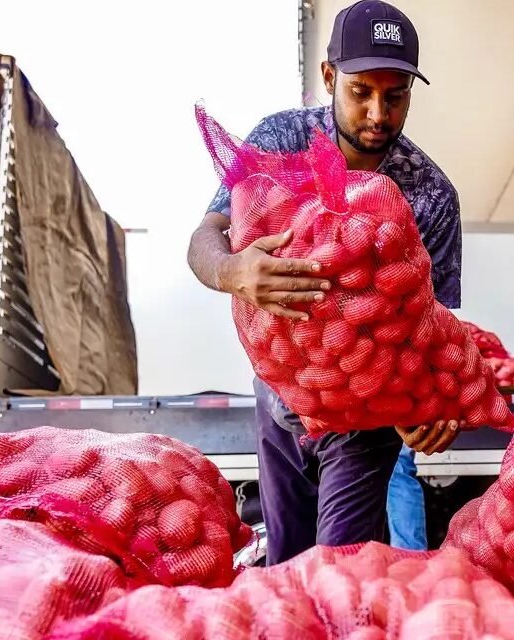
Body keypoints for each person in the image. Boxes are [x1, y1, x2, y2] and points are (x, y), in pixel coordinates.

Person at [187, 0, 462, 565]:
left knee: (340, 569)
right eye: (361, 91)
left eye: (396, 95)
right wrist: (232, 270)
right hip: (279, 399)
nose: (378, 114)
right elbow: (206, 236)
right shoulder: (280, 140)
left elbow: (435, 329)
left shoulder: (430, 194)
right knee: (287, 564)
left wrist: (436, 399)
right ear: (330, 77)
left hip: (368, 417)